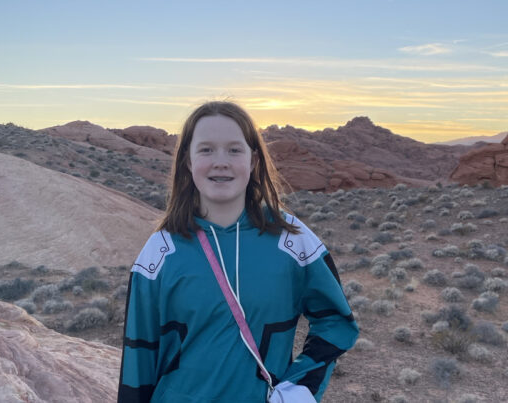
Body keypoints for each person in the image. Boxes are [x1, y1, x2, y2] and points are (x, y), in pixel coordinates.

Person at [117, 101, 359, 402]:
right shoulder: (160, 252)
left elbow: (337, 321)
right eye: (206, 150)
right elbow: (138, 358)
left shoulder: (293, 241)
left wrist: (301, 386)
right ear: (188, 161)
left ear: (253, 160)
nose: (221, 162)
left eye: (234, 149)